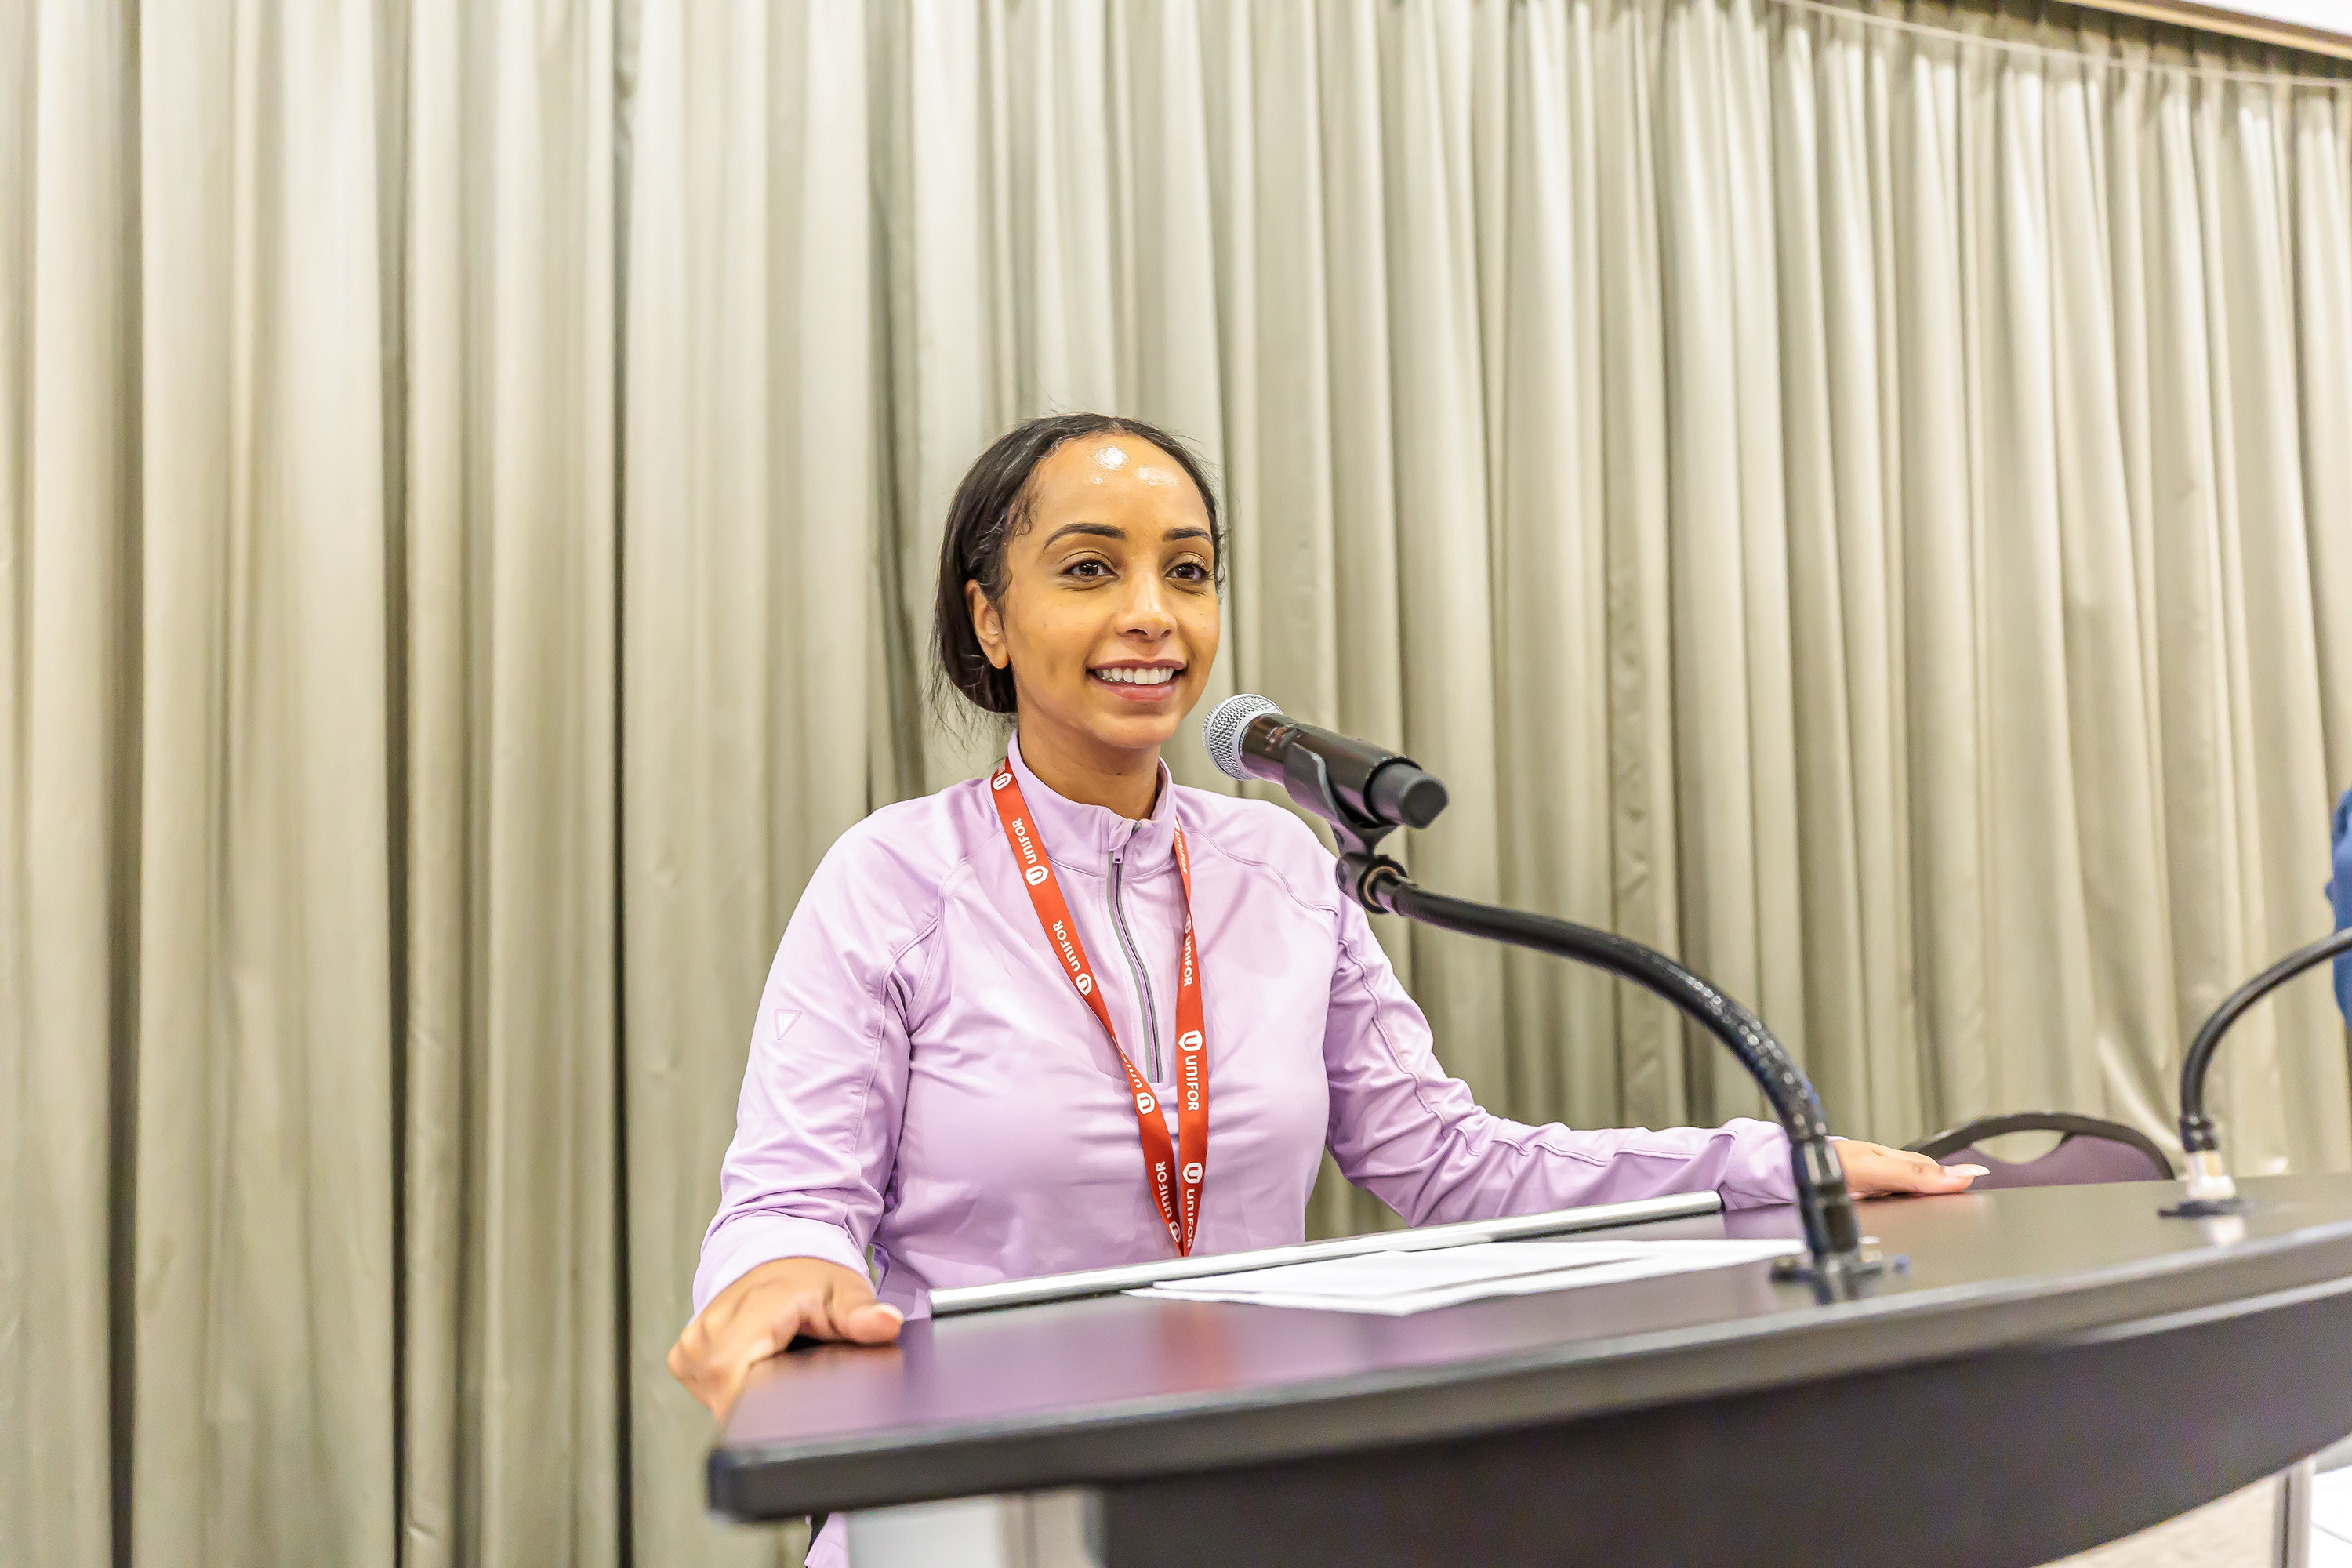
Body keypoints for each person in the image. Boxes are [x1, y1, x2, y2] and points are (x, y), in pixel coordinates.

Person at [670, 412, 1976, 1440]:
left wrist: (1771, 1167)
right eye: (1089, 570)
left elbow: (1453, 1164)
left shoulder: (1280, 864)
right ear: (990, 618)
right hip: (979, 1479)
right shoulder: (894, 876)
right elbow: (792, 1200)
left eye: (1187, 572)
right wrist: (781, 1279)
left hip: (1254, 1474)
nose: (1151, 614)